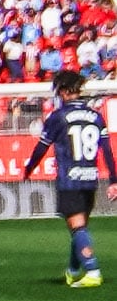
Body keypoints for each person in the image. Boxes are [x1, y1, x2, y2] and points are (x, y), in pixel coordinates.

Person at [23, 66, 104, 289]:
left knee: (77, 227)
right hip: (90, 178)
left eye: (59, 90)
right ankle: (73, 271)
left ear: (65, 91)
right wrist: (114, 180)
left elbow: (42, 147)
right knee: (79, 227)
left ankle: (93, 271)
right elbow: (106, 150)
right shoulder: (96, 116)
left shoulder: (58, 117)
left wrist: (29, 168)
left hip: (70, 179)